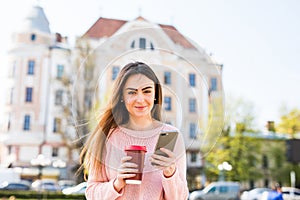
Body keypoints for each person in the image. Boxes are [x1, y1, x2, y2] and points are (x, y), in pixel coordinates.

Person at [80, 62, 189, 200]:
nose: (140, 99)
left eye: (147, 91)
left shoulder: (172, 137)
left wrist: (170, 173)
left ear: (155, 94)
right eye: (132, 92)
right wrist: (117, 183)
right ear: (122, 97)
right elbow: (91, 194)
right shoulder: (107, 137)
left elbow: (181, 198)